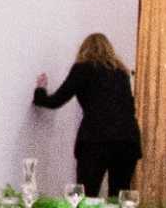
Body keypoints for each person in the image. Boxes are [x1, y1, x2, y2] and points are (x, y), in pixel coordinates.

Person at [34, 34, 143, 198]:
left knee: (86, 194)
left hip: (95, 139)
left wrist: (40, 90)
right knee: (119, 195)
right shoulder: (121, 72)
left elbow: (55, 101)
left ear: (84, 49)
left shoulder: (82, 69)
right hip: (128, 140)